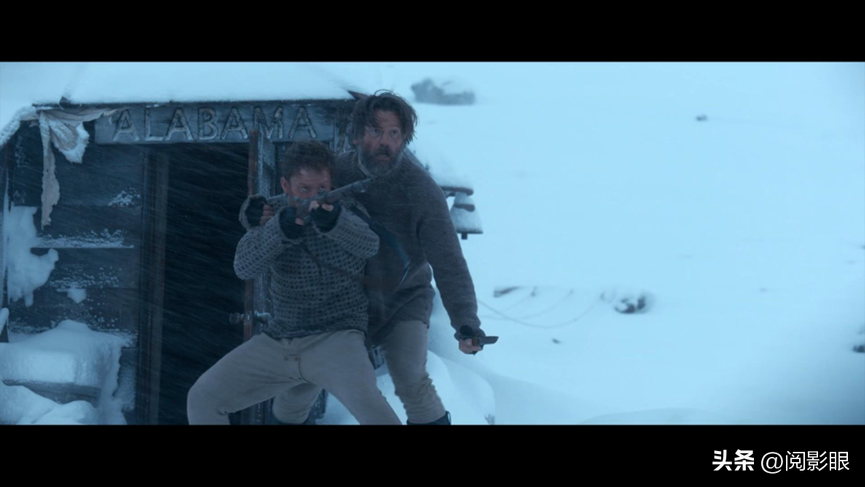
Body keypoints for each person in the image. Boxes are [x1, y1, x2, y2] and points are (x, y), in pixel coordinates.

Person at [271, 91, 487, 425]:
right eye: (376, 131)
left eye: (394, 133)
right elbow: (292, 201)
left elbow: (449, 261)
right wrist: (260, 211)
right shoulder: (336, 173)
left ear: (404, 139)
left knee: (411, 378)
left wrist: (466, 321)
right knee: (298, 386)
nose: (385, 142)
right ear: (357, 135)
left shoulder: (421, 191)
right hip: (342, 302)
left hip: (403, 300)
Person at [187, 141, 400, 425]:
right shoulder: (270, 214)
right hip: (281, 338)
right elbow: (244, 267)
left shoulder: (347, 209)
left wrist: (335, 222)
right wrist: (278, 231)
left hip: (338, 335)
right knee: (203, 398)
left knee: (377, 415)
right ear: (286, 185)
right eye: (304, 189)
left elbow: (369, 245)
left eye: (322, 188)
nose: (314, 197)